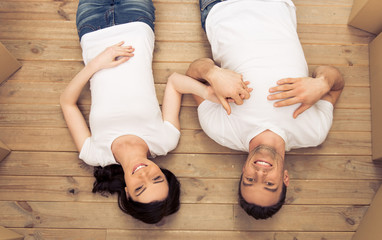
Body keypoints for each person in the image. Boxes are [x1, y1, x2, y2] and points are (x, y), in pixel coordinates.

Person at [170, 0, 345, 220]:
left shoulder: (221, 131)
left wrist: (212, 73)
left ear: (243, 172)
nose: (260, 173)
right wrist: (322, 83)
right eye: (269, 183)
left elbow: (193, 74)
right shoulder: (313, 132)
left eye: (250, 180)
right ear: (285, 178)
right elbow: (337, 83)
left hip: (222, 8)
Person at [60, 0, 189, 224]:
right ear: (164, 174)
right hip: (137, 21)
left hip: (92, 31)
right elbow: (175, 84)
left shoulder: (95, 155)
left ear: (127, 192)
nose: (144, 174)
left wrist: (96, 64)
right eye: (157, 179)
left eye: (140, 187)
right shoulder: (165, 141)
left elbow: (66, 103)